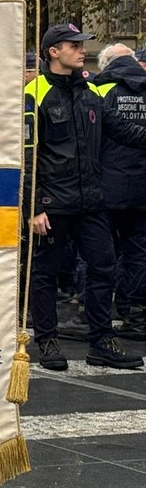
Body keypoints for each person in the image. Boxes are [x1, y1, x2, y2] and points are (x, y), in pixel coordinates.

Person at [26, 24, 146, 371]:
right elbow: (27, 154)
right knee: (46, 273)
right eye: (74, 46)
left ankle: (101, 340)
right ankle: (47, 340)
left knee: (103, 267)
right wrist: (33, 208)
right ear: (54, 52)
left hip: (90, 200)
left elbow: (122, 130)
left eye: (82, 46)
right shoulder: (35, 92)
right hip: (52, 203)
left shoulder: (91, 90)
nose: (82, 51)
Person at [91, 44, 146, 338]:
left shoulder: (99, 90)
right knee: (138, 253)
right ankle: (134, 314)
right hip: (142, 188)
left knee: (100, 253)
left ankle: (93, 312)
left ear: (106, 63)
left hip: (106, 187)